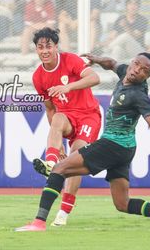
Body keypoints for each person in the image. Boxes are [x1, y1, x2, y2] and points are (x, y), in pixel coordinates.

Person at [15, 52, 150, 232]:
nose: (137, 70)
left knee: (59, 168)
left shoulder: (138, 95)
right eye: (136, 64)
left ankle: (39, 222)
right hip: (125, 149)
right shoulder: (126, 71)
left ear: (147, 77)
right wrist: (96, 59)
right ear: (132, 62)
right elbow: (111, 63)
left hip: (112, 145)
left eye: (144, 70)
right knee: (122, 203)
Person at [28, 27, 102, 227]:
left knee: (75, 156)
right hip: (67, 116)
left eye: (48, 46)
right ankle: (51, 161)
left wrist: (67, 86)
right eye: (40, 47)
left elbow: (95, 78)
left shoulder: (70, 60)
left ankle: (64, 211)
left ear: (56, 47)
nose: (44, 51)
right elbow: (50, 109)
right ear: (36, 49)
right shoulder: (38, 77)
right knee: (58, 118)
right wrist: (57, 142)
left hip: (88, 115)